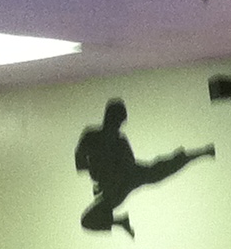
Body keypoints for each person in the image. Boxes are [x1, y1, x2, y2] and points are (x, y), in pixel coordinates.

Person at [74, 98, 214, 236]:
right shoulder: (91, 136)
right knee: (87, 221)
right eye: (117, 121)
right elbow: (80, 162)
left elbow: (129, 166)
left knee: (160, 170)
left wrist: (109, 176)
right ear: (109, 118)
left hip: (127, 179)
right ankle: (121, 222)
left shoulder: (120, 141)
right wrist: (98, 174)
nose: (118, 126)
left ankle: (200, 153)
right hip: (113, 189)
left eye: (119, 123)